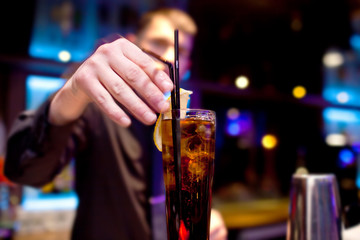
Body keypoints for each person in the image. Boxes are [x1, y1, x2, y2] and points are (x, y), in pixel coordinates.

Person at [4, 7, 227, 240]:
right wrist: (72, 93)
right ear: (133, 45)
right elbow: (24, 171)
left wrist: (209, 217)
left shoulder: (188, 122)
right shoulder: (95, 103)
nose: (171, 56)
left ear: (187, 64)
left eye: (180, 51)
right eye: (159, 42)